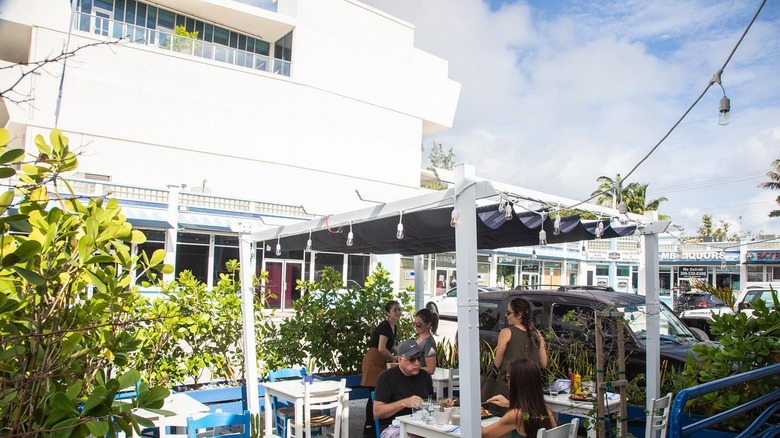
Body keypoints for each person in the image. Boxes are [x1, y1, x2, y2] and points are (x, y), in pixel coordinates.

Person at [374, 340, 454, 438]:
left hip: (421, 425)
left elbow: (429, 403)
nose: (417, 363)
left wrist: (442, 404)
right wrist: (403, 403)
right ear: (400, 359)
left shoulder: (424, 376)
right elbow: (377, 412)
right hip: (393, 427)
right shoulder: (387, 377)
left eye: (419, 358)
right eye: (412, 359)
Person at [482, 358, 556, 438]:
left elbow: (483, 434)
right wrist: (509, 404)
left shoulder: (515, 415)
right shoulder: (547, 409)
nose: (507, 384)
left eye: (507, 379)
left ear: (516, 383)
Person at [361, 300, 401, 437]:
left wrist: (400, 353)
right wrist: (394, 358)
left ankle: (374, 423)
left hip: (381, 362)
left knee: (379, 392)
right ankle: (369, 425)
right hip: (373, 361)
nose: (398, 313)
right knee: (374, 393)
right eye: (394, 310)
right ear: (387, 313)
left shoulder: (393, 327)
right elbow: (381, 348)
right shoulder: (385, 326)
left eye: (399, 310)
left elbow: (391, 346)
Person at [493, 297, 547, 398]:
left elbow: (497, 363)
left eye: (508, 313)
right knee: (528, 412)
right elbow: (544, 363)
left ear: (518, 315)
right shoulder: (538, 335)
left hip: (510, 386)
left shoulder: (506, 332)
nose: (506, 315)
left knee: (507, 413)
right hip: (531, 386)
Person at [413, 308, 439, 375]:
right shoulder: (418, 338)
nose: (415, 326)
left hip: (422, 381)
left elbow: (431, 369)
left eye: (418, 324)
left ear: (428, 324)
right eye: (414, 324)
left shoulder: (429, 343)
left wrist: (411, 368)